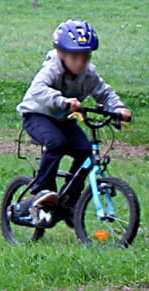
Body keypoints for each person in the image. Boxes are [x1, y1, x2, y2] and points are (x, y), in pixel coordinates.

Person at [12, 19, 131, 226]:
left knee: (85, 151)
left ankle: (68, 201)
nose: (80, 62)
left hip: (64, 119)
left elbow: (105, 93)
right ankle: (42, 189)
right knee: (56, 142)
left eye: (86, 57)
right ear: (61, 53)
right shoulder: (52, 68)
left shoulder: (88, 74)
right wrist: (64, 101)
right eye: (75, 57)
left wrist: (119, 109)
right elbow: (37, 90)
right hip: (37, 115)